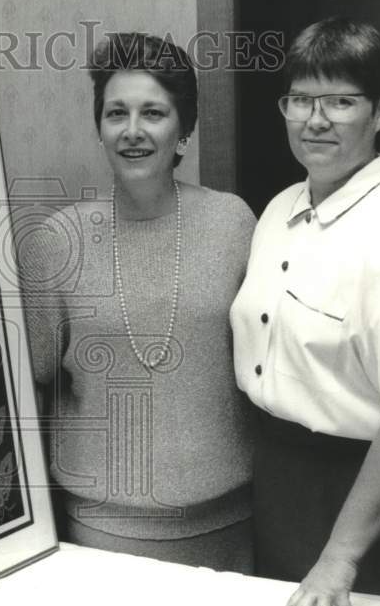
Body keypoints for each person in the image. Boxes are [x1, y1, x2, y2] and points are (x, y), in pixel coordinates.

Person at [230, 17, 380, 606]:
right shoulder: (279, 211)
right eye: (302, 100)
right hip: (279, 484)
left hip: (364, 501)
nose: (316, 119)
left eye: (340, 101)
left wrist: (339, 556)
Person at [21, 33, 257, 570]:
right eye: (115, 114)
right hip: (102, 530)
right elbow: (33, 385)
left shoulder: (234, 223)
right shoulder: (57, 241)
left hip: (230, 522)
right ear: (98, 128)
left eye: (153, 112)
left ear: (184, 129)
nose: (132, 131)